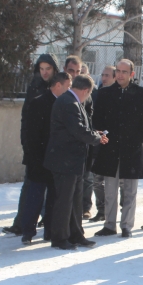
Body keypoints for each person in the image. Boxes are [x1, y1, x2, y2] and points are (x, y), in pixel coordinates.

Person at [91, 59, 143, 238]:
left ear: (131, 74)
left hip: (131, 148)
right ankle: (109, 225)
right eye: (118, 71)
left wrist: (140, 140)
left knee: (130, 190)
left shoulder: (141, 93)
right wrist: (103, 135)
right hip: (110, 147)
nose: (120, 74)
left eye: (124, 72)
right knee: (110, 189)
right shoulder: (105, 93)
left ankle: (127, 225)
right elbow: (98, 118)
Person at [44, 74, 107, 250]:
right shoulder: (69, 103)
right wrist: (96, 138)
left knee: (75, 200)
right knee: (64, 201)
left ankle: (75, 234)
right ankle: (60, 238)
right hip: (65, 161)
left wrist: (95, 133)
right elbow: (78, 130)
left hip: (73, 161)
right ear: (86, 90)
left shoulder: (72, 102)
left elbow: (82, 128)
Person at [3, 54, 59, 236]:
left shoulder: (58, 88)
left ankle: (49, 225)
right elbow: (26, 118)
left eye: (48, 69)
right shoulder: (34, 87)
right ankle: (23, 224)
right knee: (31, 187)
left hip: (52, 146)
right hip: (34, 145)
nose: (44, 73)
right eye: (41, 69)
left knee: (49, 189)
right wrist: (26, 143)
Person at [19, 73, 71, 244]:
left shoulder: (65, 104)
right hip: (39, 158)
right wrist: (34, 155)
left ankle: (49, 230)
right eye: (67, 86)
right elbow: (31, 132)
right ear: (58, 85)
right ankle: (28, 231)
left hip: (57, 159)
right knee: (35, 195)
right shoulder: (39, 102)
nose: (69, 90)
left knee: (53, 197)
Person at [65, 55, 97, 219]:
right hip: (65, 151)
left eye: (78, 71)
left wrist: (93, 136)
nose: (75, 75)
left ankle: (83, 209)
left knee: (84, 182)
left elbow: (88, 120)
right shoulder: (66, 97)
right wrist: (95, 138)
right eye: (72, 71)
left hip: (82, 148)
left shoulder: (87, 97)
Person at [88, 65, 117, 222]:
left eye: (107, 75)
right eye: (103, 75)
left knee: (119, 182)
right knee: (97, 181)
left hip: (114, 145)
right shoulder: (95, 95)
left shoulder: (119, 96)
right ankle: (102, 210)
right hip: (98, 143)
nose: (104, 78)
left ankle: (118, 208)